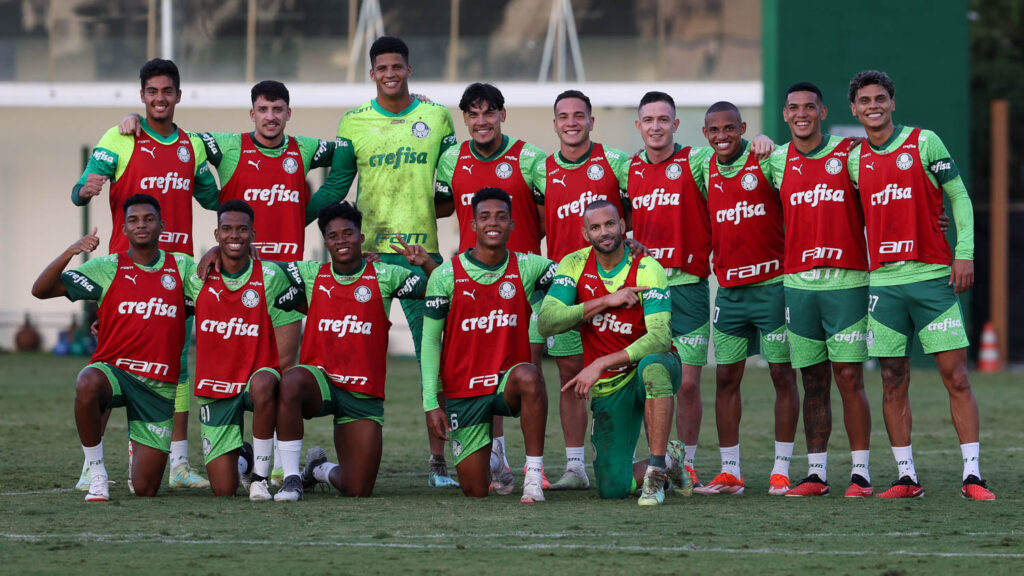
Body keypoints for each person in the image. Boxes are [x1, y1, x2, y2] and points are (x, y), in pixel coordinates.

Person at [307, 35, 459, 487]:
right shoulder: (353, 121)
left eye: (397, 66)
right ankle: (334, 455)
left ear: (409, 69)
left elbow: (450, 193)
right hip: (365, 260)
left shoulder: (436, 116)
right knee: (351, 357)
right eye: (382, 68)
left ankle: (438, 464)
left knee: (435, 359)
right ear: (372, 73)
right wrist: (293, 218)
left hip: (421, 256)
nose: (390, 74)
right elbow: (337, 186)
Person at [846, 70, 994, 500]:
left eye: (880, 98)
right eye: (864, 101)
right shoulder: (853, 160)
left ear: (892, 102)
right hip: (883, 284)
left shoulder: (924, 142)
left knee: (957, 376)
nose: (873, 106)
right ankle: (906, 478)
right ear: (853, 109)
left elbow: (958, 196)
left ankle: (972, 476)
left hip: (932, 279)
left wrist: (963, 252)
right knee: (892, 379)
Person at [71, 58, 217, 490]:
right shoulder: (120, 137)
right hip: (124, 273)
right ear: (142, 96)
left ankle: (179, 463)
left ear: (178, 95)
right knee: (110, 362)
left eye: (167, 91)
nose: (160, 98)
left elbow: (213, 197)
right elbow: (81, 189)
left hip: (177, 274)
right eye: (152, 91)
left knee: (177, 365)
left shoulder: (191, 147)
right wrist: (85, 190)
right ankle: (91, 464)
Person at [32, 194, 195, 501]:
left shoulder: (182, 266)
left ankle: (139, 450)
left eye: (148, 219)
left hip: (158, 387)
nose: (141, 225)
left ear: (162, 225)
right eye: (133, 220)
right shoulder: (106, 267)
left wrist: (215, 256)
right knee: (88, 381)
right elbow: (41, 289)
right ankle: (96, 473)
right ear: (123, 228)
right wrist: (71, 251)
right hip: (116, 373)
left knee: (146, 489)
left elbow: (217, 296)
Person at [272, 202, 437, 501]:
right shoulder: (311, 273)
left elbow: (442, 288)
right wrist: (217, 252)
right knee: (291, 380)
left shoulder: (386, 274)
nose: (341, 240)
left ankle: (318, 469)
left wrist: (424, 262)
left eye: (348, 233)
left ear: (361, 238)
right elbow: (261, 267)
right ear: (326, 243)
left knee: (357, 489)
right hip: (321, 381)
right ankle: (291, 478)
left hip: (362, 393)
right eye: (333, 236)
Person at [434, 82, 548, 493]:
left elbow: (548, 215)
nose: (481, 121)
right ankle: (496, 456)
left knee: (527, 370)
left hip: (522, 284)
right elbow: (439, 207)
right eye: (473, 114)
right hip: (472, 286)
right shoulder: (452, 159)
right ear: (465, 119)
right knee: (482, 370)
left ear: (502, 114)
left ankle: (537, 467)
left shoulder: (530, 157)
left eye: (489, 112)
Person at [764, 82, 874, 497]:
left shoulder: (849, 153)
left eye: (810, 107)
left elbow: (886, 195)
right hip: (798, 283)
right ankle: (816, 475)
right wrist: (757, 141)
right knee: (812, 380)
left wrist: (934, 219)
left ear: (823, 112)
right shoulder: (776, 160)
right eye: (794, 107)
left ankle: (860, 474)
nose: (802, 114)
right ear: (785, 115)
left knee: (848, 377)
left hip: (847, 281)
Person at [539, 200, 680, 506]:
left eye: (610, 224)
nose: (604, 232)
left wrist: (601, 362)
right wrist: (606, 300)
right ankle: (671, 459)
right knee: (612, 487)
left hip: (651, 365)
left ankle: (656, 473)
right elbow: (546, 322)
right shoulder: (574, 264)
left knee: (653, 367)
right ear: (585, 233)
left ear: (623, 226)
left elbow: (659, 338)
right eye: (595, 227)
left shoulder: (647, 267)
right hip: (610, 384)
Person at [693, 101, 799, 496]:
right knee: (725, 378)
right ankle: (730, 472)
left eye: (730, 128)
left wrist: (768, 140)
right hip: (731, 294)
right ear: (705, 134)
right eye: (714, 130)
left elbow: (803, 171)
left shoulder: (765, 160)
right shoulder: (703, 165)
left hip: (773, 288)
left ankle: (781, 470)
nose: (722, 136)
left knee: (782, 375)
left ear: (743, 128)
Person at [421, 188, 554, 502]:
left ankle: (533, 476)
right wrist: (431, 403)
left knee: (530, 375)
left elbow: (575, 273)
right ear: (473, 225)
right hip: (464, 390)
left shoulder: (529, 266)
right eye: (485, 217)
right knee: (475, 490)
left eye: (501, 216)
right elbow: (430, 341)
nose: (493, 223)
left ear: (512, 224)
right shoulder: (445, 275)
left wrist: (622, 251)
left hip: (506, 384)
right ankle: (496, 465)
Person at [533, 90, 633, 491]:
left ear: (592, 121)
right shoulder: (541, 169)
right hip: (567, 287)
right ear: (555, 123)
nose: (571, 122)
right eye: (564, 116)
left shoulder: (616, 161)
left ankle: (625, 454)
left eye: (579, 115)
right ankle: (575, 466)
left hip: (614, 284)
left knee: (622, 370)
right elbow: (538, 222)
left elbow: (638, 208)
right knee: (570, 373)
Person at [627, 91, 714, 495]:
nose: (656, 126)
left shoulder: (695, 160)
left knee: (690, 384)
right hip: (647, 289)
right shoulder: (627, 168)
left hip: (689, 284)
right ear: (638, 125)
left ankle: (687, 465)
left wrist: (761, 141)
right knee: (654, 378)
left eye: (664, 119)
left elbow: (734, 157)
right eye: (649, 120)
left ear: (676, 125)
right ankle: (659, 462)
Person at [187, 200, 294, 500]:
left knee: (264, 383)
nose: (234, 235)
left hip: (255, 381)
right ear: (217, 234)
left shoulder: (271, 276)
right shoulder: (196, 276)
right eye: (227, 229)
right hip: (215, 387)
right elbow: (153, 288)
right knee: (223, 490)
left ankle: (259, 477)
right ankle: (243, 458)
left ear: (253, 235)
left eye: (242, 229)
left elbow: (288, 351)